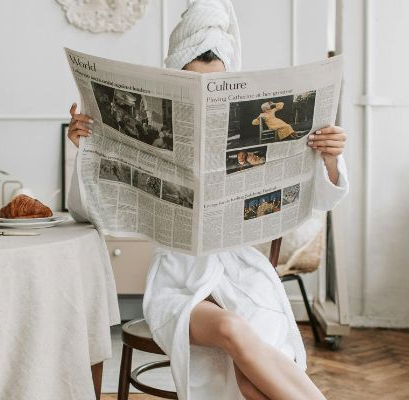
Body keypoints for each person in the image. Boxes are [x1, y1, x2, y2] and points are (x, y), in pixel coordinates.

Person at [66, 0, 348, 398]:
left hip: (243, 276)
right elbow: (86, 212)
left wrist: (330, 158)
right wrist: (85, 150)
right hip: (176, 286)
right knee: (234, 331)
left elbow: (319, 200)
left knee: (251, 385)